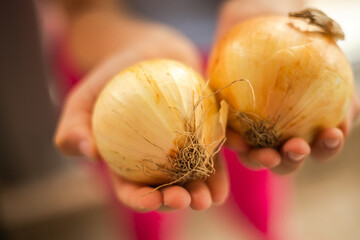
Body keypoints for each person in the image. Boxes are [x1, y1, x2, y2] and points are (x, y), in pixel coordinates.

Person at [52, 0, 360, 238]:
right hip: (118, 55)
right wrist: (114, 39)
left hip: (241, 76)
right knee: (147, 207)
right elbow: (81, 11)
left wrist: (277, 8)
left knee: (257, 193)